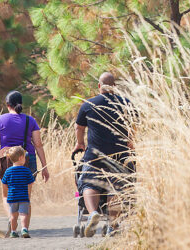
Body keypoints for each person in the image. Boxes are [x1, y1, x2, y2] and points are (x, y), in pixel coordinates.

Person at [74, 72, 136, 237]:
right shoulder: (127, 103)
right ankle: (113, 226)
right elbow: (135, 126)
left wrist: (79, 143)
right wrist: (131, 141)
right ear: (114, 87)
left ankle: (93, 213)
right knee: (116, 188)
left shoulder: (88, 104)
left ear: (99, 86)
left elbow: (79, 128)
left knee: (89, 184)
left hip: (95, 154)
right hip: (120, 154)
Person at [0, 90, 49, 236]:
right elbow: (38, 145)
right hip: (28, 160)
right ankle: (24, 227)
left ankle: (11, 218)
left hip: (6, 160)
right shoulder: (30, 121)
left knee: (6, 195)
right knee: (25, 197)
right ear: (21, 103)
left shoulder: (0, 120)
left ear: (7, 104)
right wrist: (45, 167)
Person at [1, 146, 35, 238]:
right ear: (20, 157)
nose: (25, 159)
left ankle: (13, 231)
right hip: (23, 197)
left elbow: (4, 182)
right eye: (24, 157)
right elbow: (30, 183)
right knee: (24, 214)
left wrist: (7, 193)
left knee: (13, 215)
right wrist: (28, 194)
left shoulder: (8, 171)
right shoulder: (27, 171)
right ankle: (24, 229)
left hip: (12, 197)